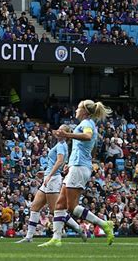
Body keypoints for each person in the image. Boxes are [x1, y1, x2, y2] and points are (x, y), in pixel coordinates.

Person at [39, 100, 114, 247]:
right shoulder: (88, 123)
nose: (76, 111)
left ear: (85, 111)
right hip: (77, 166)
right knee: (59, 204)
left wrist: (67, 134)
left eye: (78, 108)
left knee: (72, 207)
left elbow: (87, 136)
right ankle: (56, 238)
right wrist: (71, 163)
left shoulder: (86, 124)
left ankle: (104, 224)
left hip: (79, 168)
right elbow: (88, 148)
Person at [16, 125, 86, 243]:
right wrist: (45, 173)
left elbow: (59, 161)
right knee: (35, 207)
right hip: (49, 178)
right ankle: (29, 237)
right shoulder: (61, 145)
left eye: (61, 130)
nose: (58, 131)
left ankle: (78, 229)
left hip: (52, 179)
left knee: (56, 211)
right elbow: (57, 163)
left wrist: (48, 175)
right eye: (58, 129)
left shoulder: (60, 145)